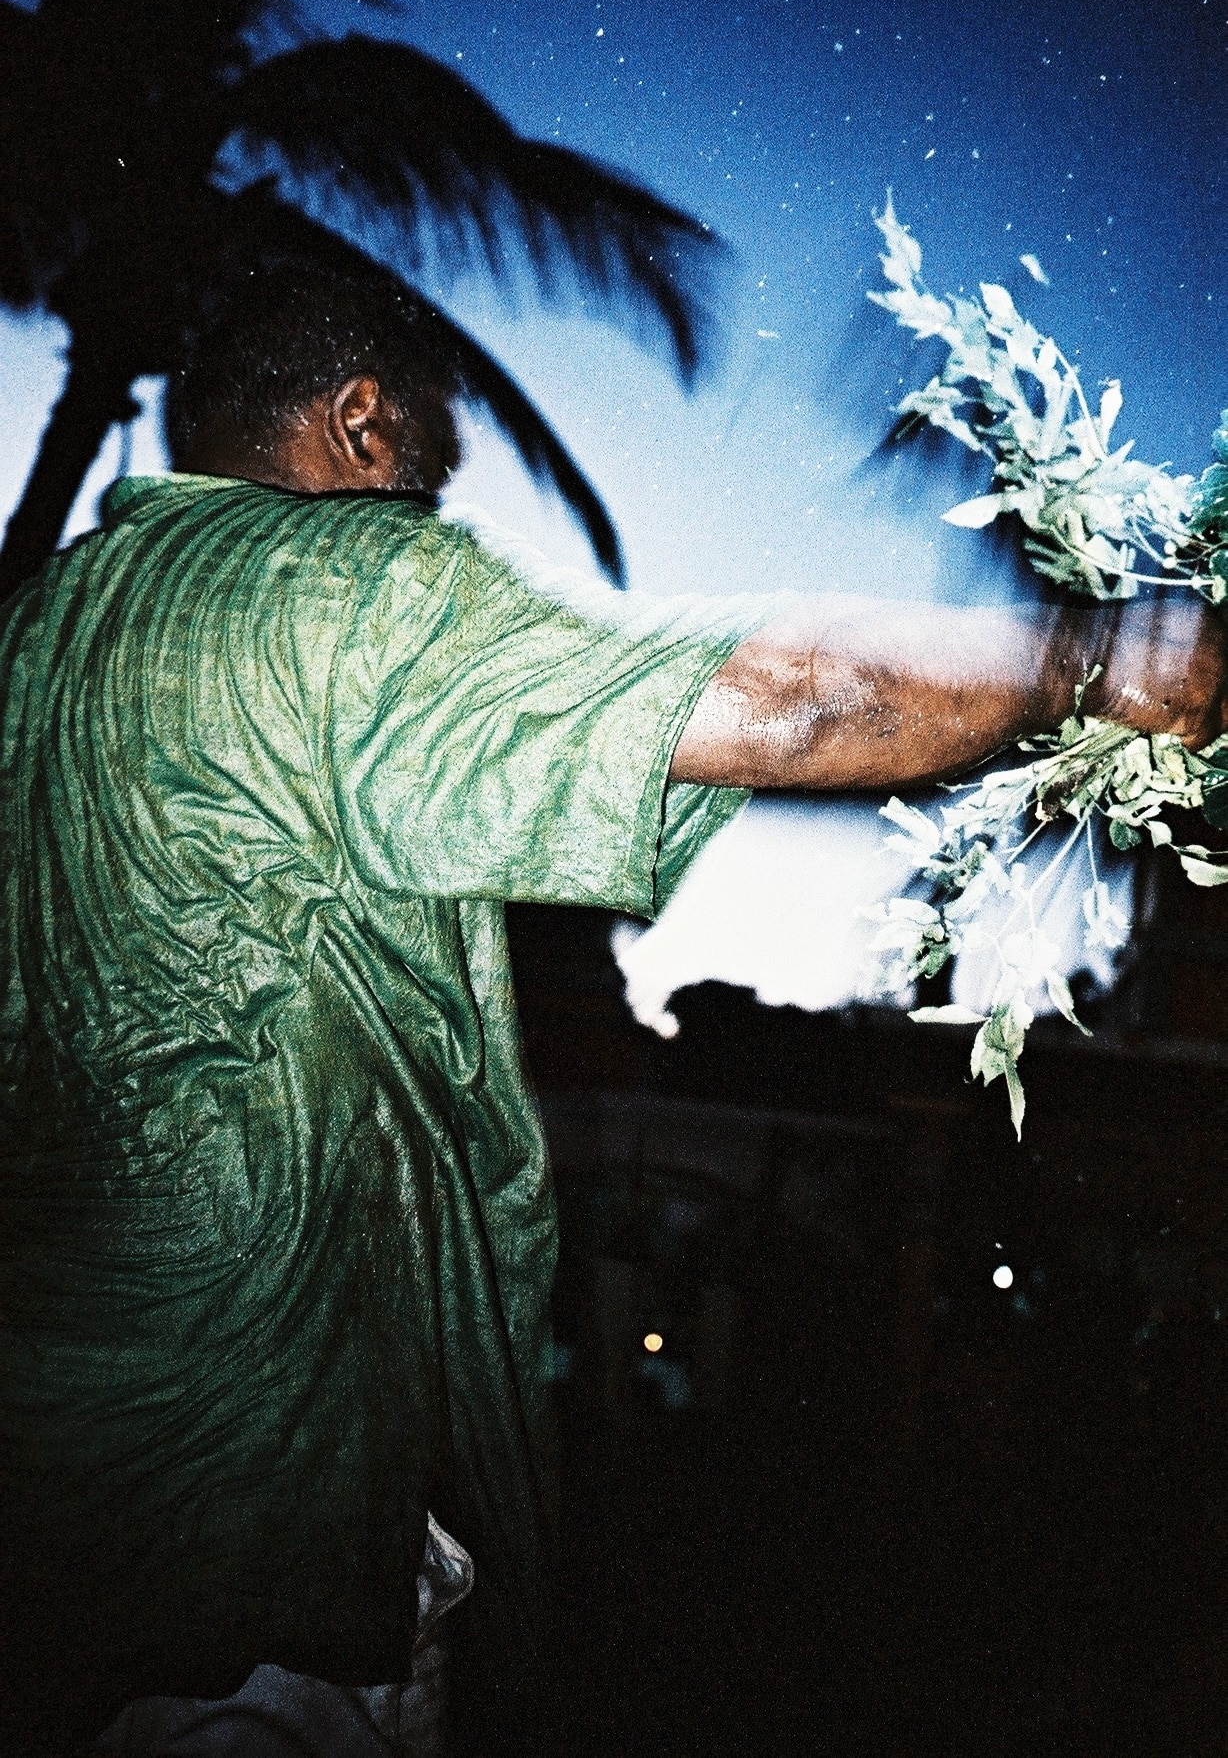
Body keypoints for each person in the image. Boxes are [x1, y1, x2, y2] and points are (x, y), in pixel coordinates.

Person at [1, 264, 1224, 1758]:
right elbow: (785, 695)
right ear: (362, 422)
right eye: (428, 469)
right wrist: (1102, 664)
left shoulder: (34, 636)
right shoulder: (337, 584)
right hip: (254, 1519)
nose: (430, 510)